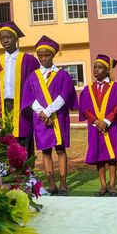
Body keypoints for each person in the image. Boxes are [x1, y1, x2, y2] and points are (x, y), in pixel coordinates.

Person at [22, 35, 78, 196]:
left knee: (60, 149)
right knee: (45, 151)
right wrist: (42, 112)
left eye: (47, 55)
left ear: (53, 55)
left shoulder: (62, 75)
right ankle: (52, 184)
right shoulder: (33, 76)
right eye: (41, 56)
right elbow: (28, 97)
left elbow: (64, 95)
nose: (44, 58)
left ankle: (63, 184)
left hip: (57, 117)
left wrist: (48, 111)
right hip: (40, 118)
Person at [79, 54, 117, 197]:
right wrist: (96, 122)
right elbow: (85, 108)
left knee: (111, 156)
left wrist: (106, 121)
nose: (96, 70)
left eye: (100, 67)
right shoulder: (88, 89)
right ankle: (103, 185)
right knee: (98, 155)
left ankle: (113, 185)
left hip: (111, 126)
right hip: (95, 127)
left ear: (107, 70)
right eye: (95, 67)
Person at [0, 21, 40, 159]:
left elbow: (37, 86)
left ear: (16, 38)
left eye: (8, 37)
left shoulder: (29, 60)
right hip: (3, 107)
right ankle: (9, 176)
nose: (5, 40)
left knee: (24, 139)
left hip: (23, 106)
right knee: (5, 140)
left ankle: (27, 175)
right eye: (2, 38)